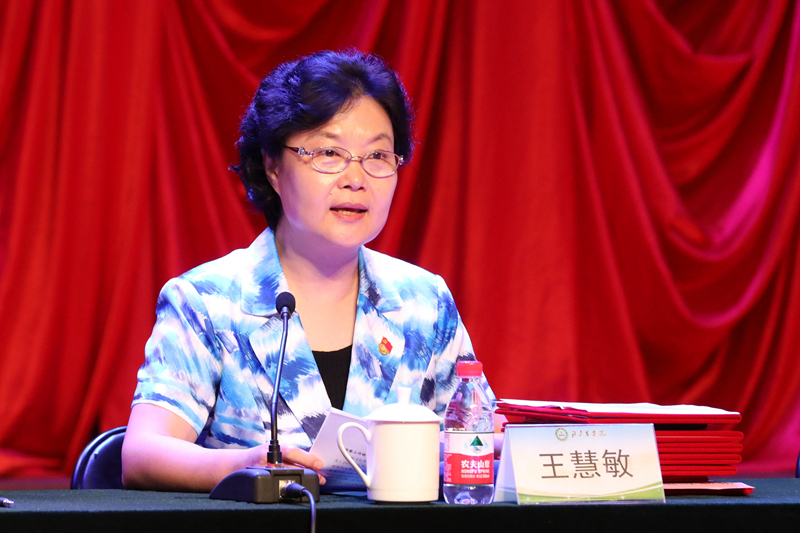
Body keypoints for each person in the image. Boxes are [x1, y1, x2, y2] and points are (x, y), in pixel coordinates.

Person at [121, 50, 496, 492]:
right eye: (329, 153)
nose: (356, 179)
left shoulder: (424, 302)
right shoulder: (208, 301)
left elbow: (481, 440)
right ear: (273, 167)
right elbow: (143, 454)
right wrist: (245, 465)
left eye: (377, 155)